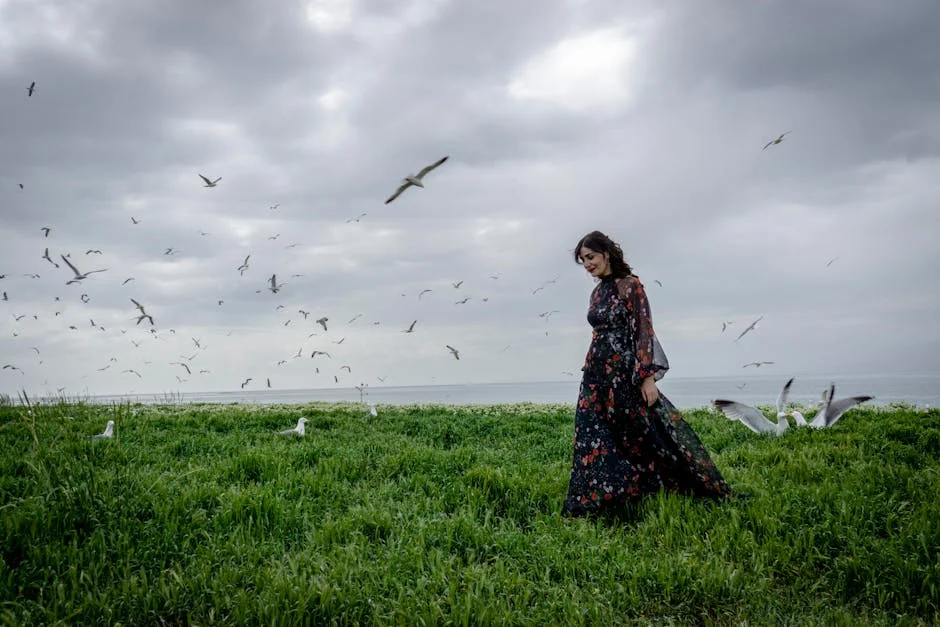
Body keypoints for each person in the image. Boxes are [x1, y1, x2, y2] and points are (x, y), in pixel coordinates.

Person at [561, 230, 732, 518]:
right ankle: (602, 496)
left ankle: (674, 484)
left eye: (590, 257)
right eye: (583, 261)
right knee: (593, 431)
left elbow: (643, 331)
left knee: (643, 429)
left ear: (606, 252)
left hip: (624, 372)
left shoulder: (631, 285)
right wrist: (590, 362)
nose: (587, 265)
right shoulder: (598, 291)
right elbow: (599, 333)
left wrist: (647, 377)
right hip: (596, 373)